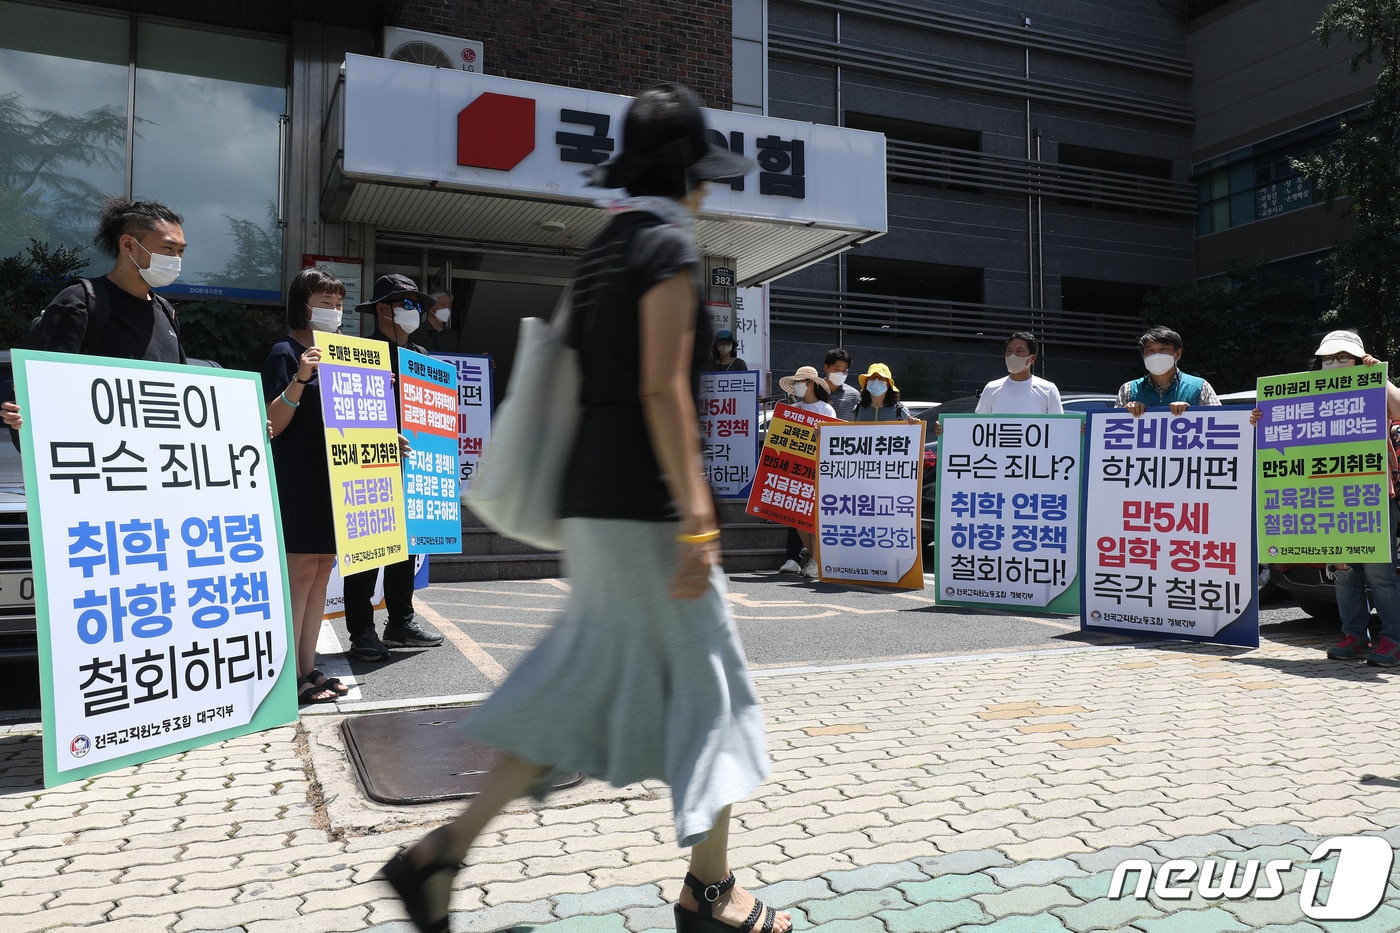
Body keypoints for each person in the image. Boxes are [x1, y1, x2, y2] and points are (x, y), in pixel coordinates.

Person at [379, 83, 790, 933]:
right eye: (703, 174)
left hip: (591, 502)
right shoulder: (669, 247)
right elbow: (663, 388)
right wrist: (700, 522)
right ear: (685, 172)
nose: (709, 190)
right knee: (714, 695)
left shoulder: (604, 248)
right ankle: (709, 894)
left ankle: (440, 856)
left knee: (576, 692)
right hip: (649, 506)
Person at [3, 197, 189, 435]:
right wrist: (22, 418)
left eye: (180, 251)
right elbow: (39, 391)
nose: (176, 259)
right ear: (129, 245)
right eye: (168, 248)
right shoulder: (81, 302)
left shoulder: (166, 313)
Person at [342, 274, 447, 662]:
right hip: (371, 466)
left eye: (418, 304)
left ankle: (401, 620)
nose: (415, 311)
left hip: (414, 469)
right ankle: (361, 631)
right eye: (407, 303)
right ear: (383, 309)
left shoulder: (422, 357)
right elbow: (346, 417)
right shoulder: (358, 353)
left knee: (406, 548)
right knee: (370, 549)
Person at [263, 268, 348, 704]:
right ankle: (287, 675)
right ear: (303, 303)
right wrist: (300, 376)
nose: (333, 311)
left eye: (338, 303)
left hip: (332, 478)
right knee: (299, 574)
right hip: (296, 477)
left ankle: (307, 666)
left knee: (320, 572)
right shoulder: (285, 353)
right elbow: (271, 423)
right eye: (325, 302)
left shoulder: (341, 357)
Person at [1304, 330, 1400, 667]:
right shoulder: (1308, 394)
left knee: (1380, 573)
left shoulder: (1375, 387)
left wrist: (1380, 376)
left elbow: (1399, 408)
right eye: (1328, 359)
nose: (1334, 363)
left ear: (1360, 359)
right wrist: (1260, 419)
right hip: (1330, 497)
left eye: (1343, 357)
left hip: (1372, 495)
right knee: (1343, 572)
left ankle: (1393, 640)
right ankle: (1355, 636)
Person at [779, 365, 834, 578]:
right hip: (797, 469)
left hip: (818, 469)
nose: (796, 387)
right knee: (797, 517)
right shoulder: (795, 409)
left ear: (810, 383)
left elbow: (832, 438)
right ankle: (814, 560)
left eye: (799, 383)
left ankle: (816, 561)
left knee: (812, 518)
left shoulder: (825, 409)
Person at [1116, 325, 1220, 416]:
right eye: (1150, 350)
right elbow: (1113, 429)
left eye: (1163, 349)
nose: (1156, 355)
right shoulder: (1128, 390)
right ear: (1143, 355)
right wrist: (1125, 413)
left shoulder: (1200, 387)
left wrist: (1191, 412)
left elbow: (1220, 423)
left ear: (1178, 354)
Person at [976, 331, 1063, 414]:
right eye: (1009, 350)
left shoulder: (1048, 390)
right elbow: (980, 423)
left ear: (1032, 358)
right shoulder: (991, 388)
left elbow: (1058, 425)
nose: (1012, 355)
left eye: (1019, 351)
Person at [823, 348, 860, 421]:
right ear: (826, 367)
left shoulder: (854, 395)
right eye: (836, 369)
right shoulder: (811, 390)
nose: (840, 373)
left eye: (844, 370)